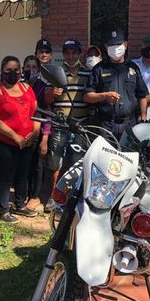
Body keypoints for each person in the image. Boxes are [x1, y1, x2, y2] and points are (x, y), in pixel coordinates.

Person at [0, 56, 41, 223]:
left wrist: (34, 133)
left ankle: (19, 204)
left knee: (23, 174)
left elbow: (36, 113)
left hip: (28, 141)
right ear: (2, 71)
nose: (12, 73)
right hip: (6, 142)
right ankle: (3, 210)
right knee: (6, 175)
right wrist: (15, 136)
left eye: (16, 70)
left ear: (21, 71)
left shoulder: (26, 88)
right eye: (8, 70)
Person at [45, 39, 92, 209]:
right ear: (63, 54)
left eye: (74, 52)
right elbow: (46, 99)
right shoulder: (57, 72)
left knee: (76, 163)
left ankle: (70, 197)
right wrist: (53, 93)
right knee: (55, 163)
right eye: (67, 52)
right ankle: (54, 196)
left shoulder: (89, 73)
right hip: (60, 124)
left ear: (80, 54)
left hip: (81, 126)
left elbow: (92, 96)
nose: (71, 56)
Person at [84, 29, 149, 138]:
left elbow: (141, 96)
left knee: (129, 154)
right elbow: (87, 96)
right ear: (106, 47)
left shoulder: (133, 68)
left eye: (118, 44)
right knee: (106, 155)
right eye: (111, 45)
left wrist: (143, 118)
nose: (115, 48)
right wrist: (104, 96)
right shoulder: (99, 69)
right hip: (106, 125)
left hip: (130, 124)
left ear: (126, 45)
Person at [22, 55, 49, 211]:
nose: (30, 70)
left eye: (34, 67)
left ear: (39, 70)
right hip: (21, 134)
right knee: (24, 166)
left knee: (37, 166)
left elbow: (47, 113)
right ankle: (24, 195)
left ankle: (34, 196)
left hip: (38, 133)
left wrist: (45, 138)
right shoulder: (19, 86)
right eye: (28, 67)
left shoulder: (42, 87)